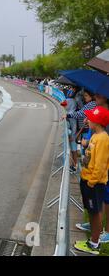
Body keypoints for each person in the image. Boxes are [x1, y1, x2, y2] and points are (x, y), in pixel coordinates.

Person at [73, 106, 109, 254]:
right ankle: (93, 241)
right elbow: (92, 153)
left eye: (90, 118)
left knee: (95, 213)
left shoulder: (103, 139)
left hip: (93, 183)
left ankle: (94, 244)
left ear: (98, 122)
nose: (88, 120)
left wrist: (91, 182)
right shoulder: (95, 136)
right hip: (87, 179)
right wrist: (87, 145)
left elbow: (100, 165)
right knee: (92, 211)